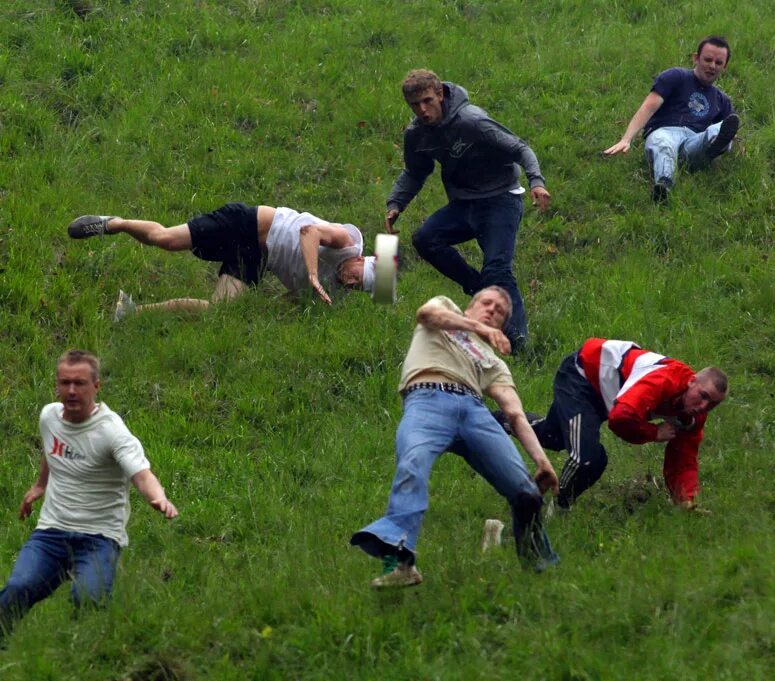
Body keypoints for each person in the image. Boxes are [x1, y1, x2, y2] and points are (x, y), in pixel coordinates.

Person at [350, 286, 560, 588]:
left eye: (500, 311)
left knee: (526, 492)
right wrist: (476, 328)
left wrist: (542, 460)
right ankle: (401, 565)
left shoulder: (494, 362)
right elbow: (426, 314)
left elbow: (514, 413)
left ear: (502, 324)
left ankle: (541, 568)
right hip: (426, 399)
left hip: (475, 412)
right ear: (470, 306)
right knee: (412, 465)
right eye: (487, 303)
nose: (492, 310)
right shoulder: (445, 307)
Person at [0, 350, 178, 643]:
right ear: (57, 384)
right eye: (65, 382)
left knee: (88, 598)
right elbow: (51, 448)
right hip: (51, 533)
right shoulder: (49, 416)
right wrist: (40, 484)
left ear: (96, 386)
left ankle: (84, 653)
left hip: (99, 537)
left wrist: (158, 497)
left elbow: (142, 474)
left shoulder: (111, 432)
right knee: (20, 586)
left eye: (80, 383)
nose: (71, 390)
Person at [384, 69, 552, 352]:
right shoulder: (417, 134)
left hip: (501, 199)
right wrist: (395, 203)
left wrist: (536, 180)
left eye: (427, 101)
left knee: (498, 268)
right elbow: (415, 171)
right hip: (464, 204)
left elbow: (520, 148)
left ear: (440, 94)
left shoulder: (472, 121)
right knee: (425, 238)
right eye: (415, 105)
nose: (423, 110)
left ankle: (518, 344)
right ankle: (478, 288)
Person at [499, 339, 727, 511]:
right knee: (587, 460)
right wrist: (653, 432)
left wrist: (685, 499)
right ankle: (558, 508)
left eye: (712, 405)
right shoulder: (663, 380)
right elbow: (620, 418)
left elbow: (684, 457)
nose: (703, 406)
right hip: (582, 377)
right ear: (691, 381)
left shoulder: (694, 415)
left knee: (552, 438)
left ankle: (495, 420)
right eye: (703, 395)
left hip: (607, 395)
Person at [66, 204, 374, 321]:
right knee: (166, 241)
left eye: (357, 288)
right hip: (247, 223)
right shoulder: (346, 242)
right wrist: (312, 274)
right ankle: (113, 223)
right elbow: (310, 232)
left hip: (256, 257)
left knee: (219, 311)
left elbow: (287, 303)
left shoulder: (332, 294)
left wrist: (270, 312)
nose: (350, 281)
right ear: (360, 259)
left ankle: (131, 313)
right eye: (357, 276)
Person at [603, 36, 739, 203]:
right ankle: (664, 186)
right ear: (696, 58)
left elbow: (731, 127)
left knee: (718, 130)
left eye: (718, 63)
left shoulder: (721, 100)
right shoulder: (676, 76)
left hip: (693, 142)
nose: (712, 66)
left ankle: (715, 145)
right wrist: (626, 139)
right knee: (664, 144)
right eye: (708, 60)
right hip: (665, 131)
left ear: (724, 67)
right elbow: (648, 106)